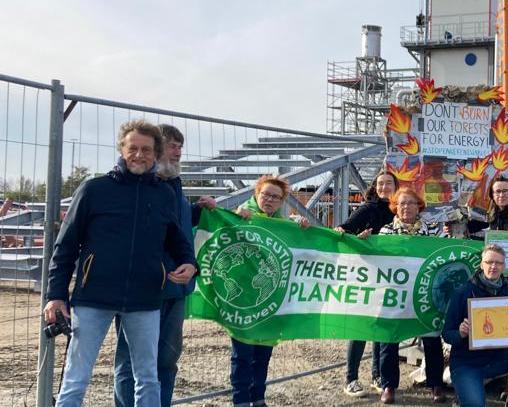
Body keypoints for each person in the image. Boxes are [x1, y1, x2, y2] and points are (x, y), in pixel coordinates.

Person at [44, 119, 197, 407]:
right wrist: (55, 296)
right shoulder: (93, 189)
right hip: (93, 297)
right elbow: (65, 246)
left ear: (156, 152)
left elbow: (178, 240)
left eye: (147, 150)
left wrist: (189, 263)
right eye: (133, 148)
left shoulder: (163, 194)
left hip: (145, 299)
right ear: (121, 149)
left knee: (147, 378)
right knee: (76, 379)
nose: (139, 155)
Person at [111, 124, 210, 407]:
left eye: (180, 146)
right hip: (144, 287)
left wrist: (199, 211)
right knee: (132, 360)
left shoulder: (172, 184)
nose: (178, 152)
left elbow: (172, 227)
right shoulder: (138, 186)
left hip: (176, 287)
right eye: (172, 146)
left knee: (167, 359)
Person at [231, 175, 309, 407]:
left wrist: (301, 227)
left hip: (269, 298)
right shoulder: (242, 214)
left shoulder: (282, 223)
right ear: (257, 194)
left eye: (276, 197)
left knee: (263, 353)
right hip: (244, 299)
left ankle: (258, 398)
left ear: (282, 201)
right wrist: (237, 216)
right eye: (266, 194)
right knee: (243, 352)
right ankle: (241, 400)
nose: (270, 200)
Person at [443, 245, 508, 407]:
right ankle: (463, 391)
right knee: (475, 404)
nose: (493, 266)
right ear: (481, 264)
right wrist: (461, 333)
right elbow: (447, 334)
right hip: (467, 363)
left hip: (496, 359)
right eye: (489, 262)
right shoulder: (463, 292)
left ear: (504, 266)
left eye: (498, 263)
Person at [375, 187, 448, 404]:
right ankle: (388, 385)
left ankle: (435, 384)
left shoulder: (435, 230)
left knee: (432, 338)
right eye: (402, 203)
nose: (406, 207)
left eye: (411, 203)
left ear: (419, 206)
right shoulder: (386, 231)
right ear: (395, 207)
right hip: (395, 294)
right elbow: (380, 260)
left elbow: (444, 256)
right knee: (389, 339)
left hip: (426, 293)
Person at [336, 171, 398, 398]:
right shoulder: (368, 208)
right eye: (380, 183)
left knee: (380, 327)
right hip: (367, 276)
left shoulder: (396, 210)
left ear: (395, 186)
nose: (384, 187)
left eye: (389, 183)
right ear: (374, 187)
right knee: (359, 326)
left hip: (389, 278)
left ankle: (377, 375)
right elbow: (343, 231)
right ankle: (351, 378)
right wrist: (358, 239)